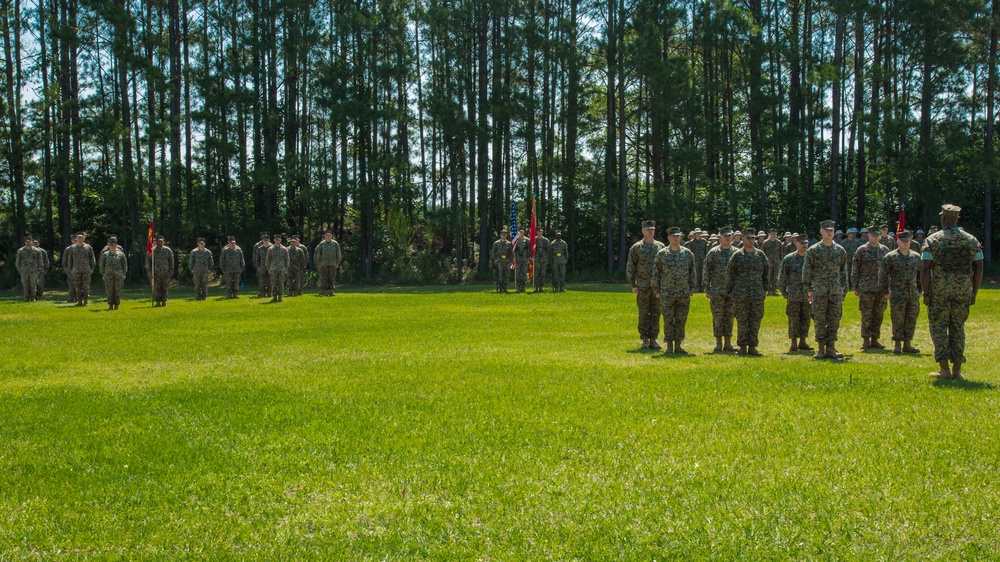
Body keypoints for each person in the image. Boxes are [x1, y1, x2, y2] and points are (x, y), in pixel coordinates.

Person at [922, 204, 984, 380]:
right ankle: (957, 370)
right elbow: (978, 267)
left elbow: (926, 268)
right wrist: (974, 292)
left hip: (939, 291)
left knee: (939, 328)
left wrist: (926, 293)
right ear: (957, 219)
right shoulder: (971, 240)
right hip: (963, 291)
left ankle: (944, 369)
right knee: (958, 328)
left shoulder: (933, 240)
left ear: (943, 219)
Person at [802, 221, 849, 359]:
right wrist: (808, 290)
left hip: (835, 292)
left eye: (831, 230)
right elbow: (807, 272)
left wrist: (844, 291)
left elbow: (843, 272)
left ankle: (831, 348)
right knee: (820, 320)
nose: (829, 232)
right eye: (826, 230)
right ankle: (821, 349)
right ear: (821, 231)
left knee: (834, 320)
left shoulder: (840, 250)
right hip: (819, 292)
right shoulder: (813, 250)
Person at [650, 227, 697, 354]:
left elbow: (692, 272)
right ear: (669, 238)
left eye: (679, 236)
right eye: (674, 236)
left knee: (681, 320)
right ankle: (669, 346)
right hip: (667, 293)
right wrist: (657, 290)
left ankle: (678, 345)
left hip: (683, 293)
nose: (677, 238)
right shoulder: (662, 254)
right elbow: (656, 273)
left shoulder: (687, 254)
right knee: (668, 320)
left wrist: (692, 288)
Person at [725, 226, 769, 356]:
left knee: (755, 320)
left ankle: (753, 346)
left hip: (757, 294)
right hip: (741, 294)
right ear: (743, 239)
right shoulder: (737, 256)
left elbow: (766, 273)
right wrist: (730, 291)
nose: (751, 240)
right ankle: (743, 346)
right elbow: (730, 274)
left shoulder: (760, 255)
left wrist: (764, 289)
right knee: (742, 321)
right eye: (748, 238)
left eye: (753, 238)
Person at [880, 230, 922, 355]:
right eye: (902, 241)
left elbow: (920, 275)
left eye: (907, 241)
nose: (905, 244)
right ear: (898, 241)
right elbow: (883, 275)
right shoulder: (890, 257)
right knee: (897, 319)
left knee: (911, 319)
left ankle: (907, 344)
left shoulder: (916, 257)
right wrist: (885, 291)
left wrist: (920, 290)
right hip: (897, 294)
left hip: (912, 294)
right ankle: (897, 344)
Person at [627, 220, 666, 349]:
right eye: (648, 229)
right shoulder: (636, 248)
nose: (651, 231)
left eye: (652, 229)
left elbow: (665, 267)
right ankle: (644, 339)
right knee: (643, 313)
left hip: (657, 287)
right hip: (642, 286)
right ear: (643, 231)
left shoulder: (660, 247)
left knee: (656, 313)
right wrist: (633, 284)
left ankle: (653, 339)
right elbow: (631, 267)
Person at [853, 224, 888, 350]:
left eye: (878, 235)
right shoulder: (861, 250)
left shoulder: (884, 250)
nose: (876, 237)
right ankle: (866, 340)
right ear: (868, 235)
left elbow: (888, 270)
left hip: (880, 289)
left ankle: (875, 339)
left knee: (878, 315)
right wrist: (855, 287)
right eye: (873, 235)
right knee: (866, 315)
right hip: (866, 288)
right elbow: (856, 269)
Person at [704, 226, 737, 352]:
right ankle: (718, 343)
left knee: (729, 316)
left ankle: (728, 343)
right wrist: (707, 288)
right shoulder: (713, 252)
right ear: (720, 238)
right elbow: (707, 271)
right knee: (718, 316)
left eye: (730, 236)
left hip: (732, 291)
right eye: (725, 236)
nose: (728, 238)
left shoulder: (736, 252)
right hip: (717, 290)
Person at [778, 234, 812, 353]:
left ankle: (803, 341)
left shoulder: (811, 257)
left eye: (806, 243)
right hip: (793, 294)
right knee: (793, 318)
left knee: (806, 318)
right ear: (796, 244)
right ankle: (793, 342)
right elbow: (782, 276)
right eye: (801, 243)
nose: (804, 245)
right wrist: (783, 291)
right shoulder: (789, 258)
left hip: (808, 295)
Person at [65, 233, 97, 306]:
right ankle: (79, 301)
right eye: (78, 238)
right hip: (76, 270)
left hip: (86, 270)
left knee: (86, 286)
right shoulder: (72, 248)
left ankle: (86, 300)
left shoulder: (88, 247)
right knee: (77, 286)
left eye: (81, 238)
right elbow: (70, 259)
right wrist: (70, 269)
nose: (79, 239)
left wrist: (92, 268)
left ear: (84, 239)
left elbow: (92, 258)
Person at [99, 237, 128, 310]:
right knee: (109, 290)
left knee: (118, 290)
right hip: (108, 275)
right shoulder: (105, 254)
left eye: (114, 245)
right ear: (109, 246)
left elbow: (124, 265)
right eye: (111, 245)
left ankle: (117, 305)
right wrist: (103, 274)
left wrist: (124, 274)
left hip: (118, 275)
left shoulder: (121, 254)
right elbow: (102, 265)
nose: (113, 246)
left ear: (116, 246)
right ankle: (110, 304)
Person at [145, 235, 175, 306]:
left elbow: (171, 261)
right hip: (156, 273)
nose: (160, 243)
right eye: (159, 241)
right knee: (157, 288)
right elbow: (148, 262)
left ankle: (164, 301)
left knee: (165, 288)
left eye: (161, 241)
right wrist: (149, 272)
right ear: (156, 242)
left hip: (165, 273)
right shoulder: (152, 251)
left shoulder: (167, 250)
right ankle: (157, 302)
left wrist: (171, 271)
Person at [314, 231, 342, 296]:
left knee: (331, 278)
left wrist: (338, 262)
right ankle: (325, 291)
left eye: (329, 236)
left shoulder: (335, 244)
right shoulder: (322, 244)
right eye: (327, 236)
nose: (328, 237)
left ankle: (331, 291)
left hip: (333, 264)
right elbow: (318, 254)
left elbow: (338, 253)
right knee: (324, 278)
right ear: (325, 236)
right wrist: (318, 263)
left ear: (331, 236)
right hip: (323, 264)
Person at [15, 236, 42, 302]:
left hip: (33, 270)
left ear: (31, 242)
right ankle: (26, 297)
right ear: (24, 242)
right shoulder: (21, 251)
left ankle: (33, 297)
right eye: (26, 242)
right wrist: (19, 269)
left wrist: (39, 270)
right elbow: (17, 261)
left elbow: (40, 261)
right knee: (25, 284)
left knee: (33, 284)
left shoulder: (37, 251)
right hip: (24, 270)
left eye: (29, 241)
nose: (27, 243)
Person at [265, 234, 290, 302]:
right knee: (273, 283)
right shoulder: (271, 249)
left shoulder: (284, 249)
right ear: (274, 240)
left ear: (280, 240)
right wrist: (268, 268)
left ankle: (280, 296)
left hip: (282, 269)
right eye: (276, 240)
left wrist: (286, 269)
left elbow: (287, 260)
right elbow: (268, 259)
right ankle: (274, 297)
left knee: (281, 283)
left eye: (278, 240)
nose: (277, 241)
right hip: (273, 269)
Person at [490, 229, 513, 293]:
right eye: (503, 235)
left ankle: (505, 288)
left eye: (505, 235)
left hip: (507, 261)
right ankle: (500, 288)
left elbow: (511, 253)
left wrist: (511, 260)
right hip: (499, 261)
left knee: (507, 275)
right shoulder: (496, 243)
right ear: (500, 235)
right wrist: (495, 259)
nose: (504, 236)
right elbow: (493, 252)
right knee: (500, 275)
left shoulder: (509, 244)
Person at [762, 229, 783, 296]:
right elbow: (762, 253)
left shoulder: (779, 242)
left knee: (775, 277)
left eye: (775, 234)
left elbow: (781, 253)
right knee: (768, 277)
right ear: (769, 234)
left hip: (776, 262)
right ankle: (768, 291)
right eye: (772, 234)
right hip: (768, 262)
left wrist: (781, 261)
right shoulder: (765, 243)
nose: (773, 235)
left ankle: (774, 290)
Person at [252, 233, 271, 298]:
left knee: (270, 281)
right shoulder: (258, 247)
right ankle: (262, 293)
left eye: (267, 239)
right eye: (264, 239)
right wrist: (257, 266)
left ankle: (269, 293)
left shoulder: (271, 246)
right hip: (262, 266)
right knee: (262, 281)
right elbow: (256, 257)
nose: (265, 241)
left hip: (270, 267)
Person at [62, 238, 78, 303]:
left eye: (76, 240)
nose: (75, 241)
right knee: (71, 284)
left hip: (79, 269)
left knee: (79, 284)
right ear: (72, 240)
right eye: (74, 240)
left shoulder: (82, 248)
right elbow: (64, 260)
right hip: (70, 270)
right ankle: (71, 297)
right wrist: (66, 269)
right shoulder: (68, 249)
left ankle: (78, 298)